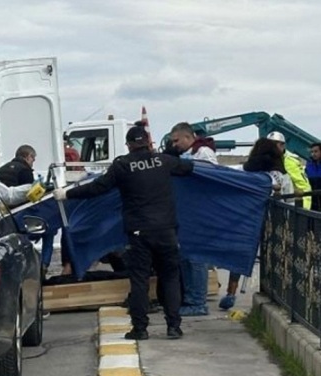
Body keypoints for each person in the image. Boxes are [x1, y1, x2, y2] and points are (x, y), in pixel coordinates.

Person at [53, 125, 195, 340]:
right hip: (166, 230)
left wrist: (67, 193)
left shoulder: (122, 165)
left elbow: (98, 188)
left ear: (128, 145)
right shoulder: (163, 161)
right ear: (148, 142)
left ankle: (140, 329)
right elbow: (189, 169)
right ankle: (173, 327)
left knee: (139, 280)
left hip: (139, 233)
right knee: (170, 278)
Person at [219, 138, 291, 309]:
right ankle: (279, 291)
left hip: (248, 218)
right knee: (276, 255)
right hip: (276, 220)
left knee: (239, 255)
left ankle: (231, 292)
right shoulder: (280, 174)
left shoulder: (249, 171)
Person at [169, 122, 217, 317]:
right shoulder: (184, 155)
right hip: (189, 213)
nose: (174, 145)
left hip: (201, 213)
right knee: (185, 257)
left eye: (176, 140)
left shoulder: (203, 153)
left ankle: (198, 301)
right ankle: (190, 299)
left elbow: (210, 178)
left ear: (188, 138)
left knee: (196, 259)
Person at [267, 131, 312, 210]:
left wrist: (303, 210)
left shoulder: (289, 161)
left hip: (291, 205)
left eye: (274, 144)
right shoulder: (268, 159)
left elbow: (303, 186)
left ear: (282, 145)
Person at [304, 142, 321, 212]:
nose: (313, 154)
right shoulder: (309, 165)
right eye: (312, 152)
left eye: (316, 151)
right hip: (312, 200)